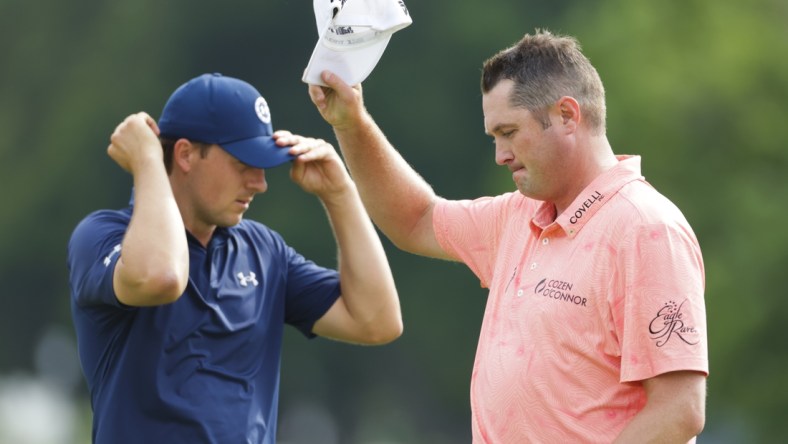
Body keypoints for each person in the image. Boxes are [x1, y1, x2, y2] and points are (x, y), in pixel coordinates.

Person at [308, 30, 708, 442]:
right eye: (495, 138)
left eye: (509, 133)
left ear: (568, 116)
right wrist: (351, 123)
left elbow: (679, 411)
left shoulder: (647, 229)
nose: (500, 155)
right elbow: (415, 220)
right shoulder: (519, 214)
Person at [67, 73, 402, 444]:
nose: (259, 183)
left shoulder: (263, 251)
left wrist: (341, 195)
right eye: (244, 164)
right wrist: (147, 162)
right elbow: (161, 276)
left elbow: (378, 321)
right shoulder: (103, 236)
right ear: (185, 155)